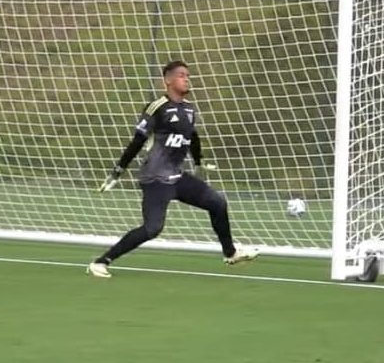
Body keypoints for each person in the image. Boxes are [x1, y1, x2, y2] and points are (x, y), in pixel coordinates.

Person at [87, 61, 258, 278]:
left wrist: (199, 162)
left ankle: (230, 253)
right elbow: (137, 141)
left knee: (217, 202)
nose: (186, 79)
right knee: (152, 229)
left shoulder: (189, 109)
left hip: (177, 177)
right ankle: (101, 262)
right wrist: (118, 171)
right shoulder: (157, 107)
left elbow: (192, 137)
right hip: (155, 179)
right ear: (167, 80)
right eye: (181, 75)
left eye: (188, 75)